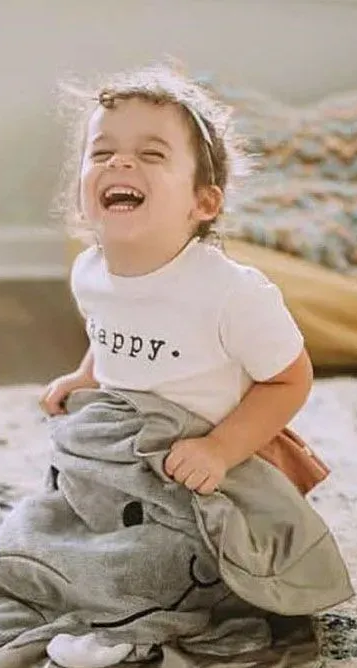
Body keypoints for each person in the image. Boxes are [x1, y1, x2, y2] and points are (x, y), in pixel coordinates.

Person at [41, 64, 314, 498]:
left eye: (152, 154)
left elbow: (290, 381)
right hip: (132, 441)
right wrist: (85, 376)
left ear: (203, 202)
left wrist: (220, 450)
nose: (120, 161)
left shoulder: (230, 293)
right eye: (101, 152)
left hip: (212, 457)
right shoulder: (89, 271)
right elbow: (112, 326)